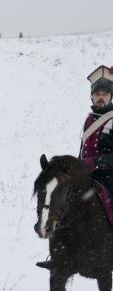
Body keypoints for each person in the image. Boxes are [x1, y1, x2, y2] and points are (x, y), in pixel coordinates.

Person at [37, 65, 113, 270]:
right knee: (61, 203)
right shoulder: (89, 119)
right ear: (91, 96)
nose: (101, 97)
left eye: (105, 94)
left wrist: (94, 163)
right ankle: (59, 255)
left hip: (109, 177)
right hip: (88, 177)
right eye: (97, 93)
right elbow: (83, 151)